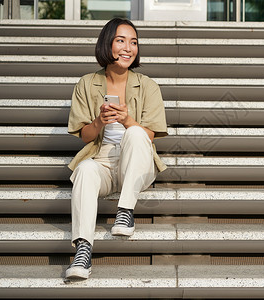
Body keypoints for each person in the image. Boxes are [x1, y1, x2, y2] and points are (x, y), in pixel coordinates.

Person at [65, 17, 168, 280]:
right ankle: (83, 252)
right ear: (106, 43)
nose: (128, 48)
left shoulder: (148, 85)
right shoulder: (87, 83)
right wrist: (100, 121)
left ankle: (125, 212)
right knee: (86, 169)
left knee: (134, 132)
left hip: (136, 163)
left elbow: (150, 136)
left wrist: (126, 120)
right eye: (120, 40)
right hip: (102, 161)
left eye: (133, 42)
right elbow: (85, 137)